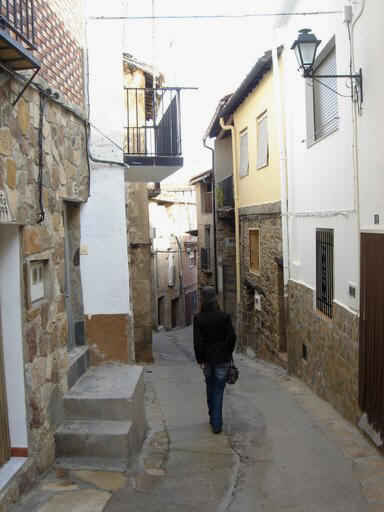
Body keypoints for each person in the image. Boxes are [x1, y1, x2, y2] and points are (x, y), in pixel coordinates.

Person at [193, 286, 236, 434]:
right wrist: (228, 350)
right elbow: (232, 336)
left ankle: (213, 417)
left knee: (210, 387)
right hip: (222, 357)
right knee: (218, 390)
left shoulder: (198, 318)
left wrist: (200, 359)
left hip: (207, 357)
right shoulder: (224, 316)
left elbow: (197, 342)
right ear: (216, 299)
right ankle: (217, 423)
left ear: (203, 300)